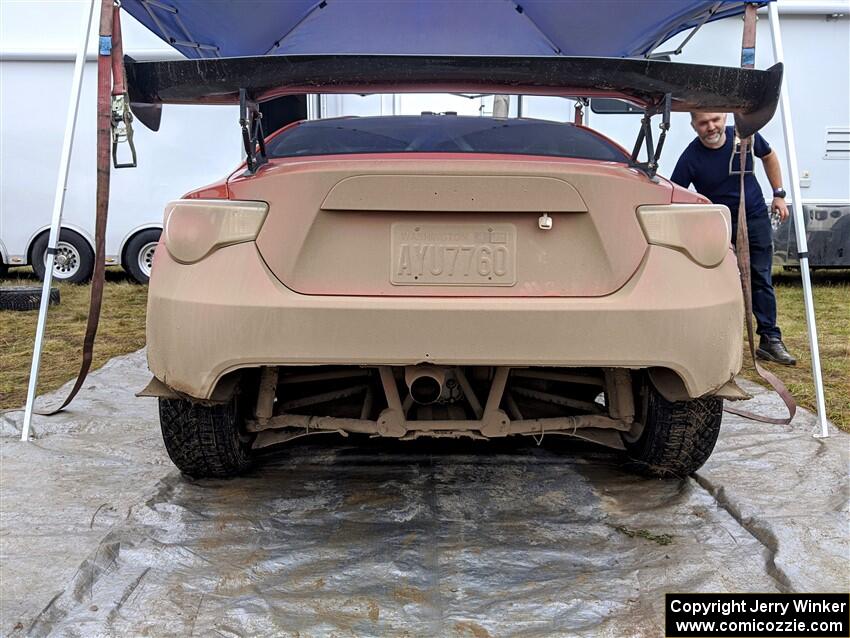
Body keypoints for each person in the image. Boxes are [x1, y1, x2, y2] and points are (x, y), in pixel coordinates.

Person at [671, 112, 796, 365]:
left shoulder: (744, 137)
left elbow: (769, 155)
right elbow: (676, 192)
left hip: (755, 217)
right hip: (720, 224)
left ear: (724, 117)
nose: (711, 127)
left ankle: (770, 340)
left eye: (715, 120)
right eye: (703, 123)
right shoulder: (690, 157)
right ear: (693, 125)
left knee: (760, 277)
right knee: (722, 281)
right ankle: (718, 342)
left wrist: (779, 193)